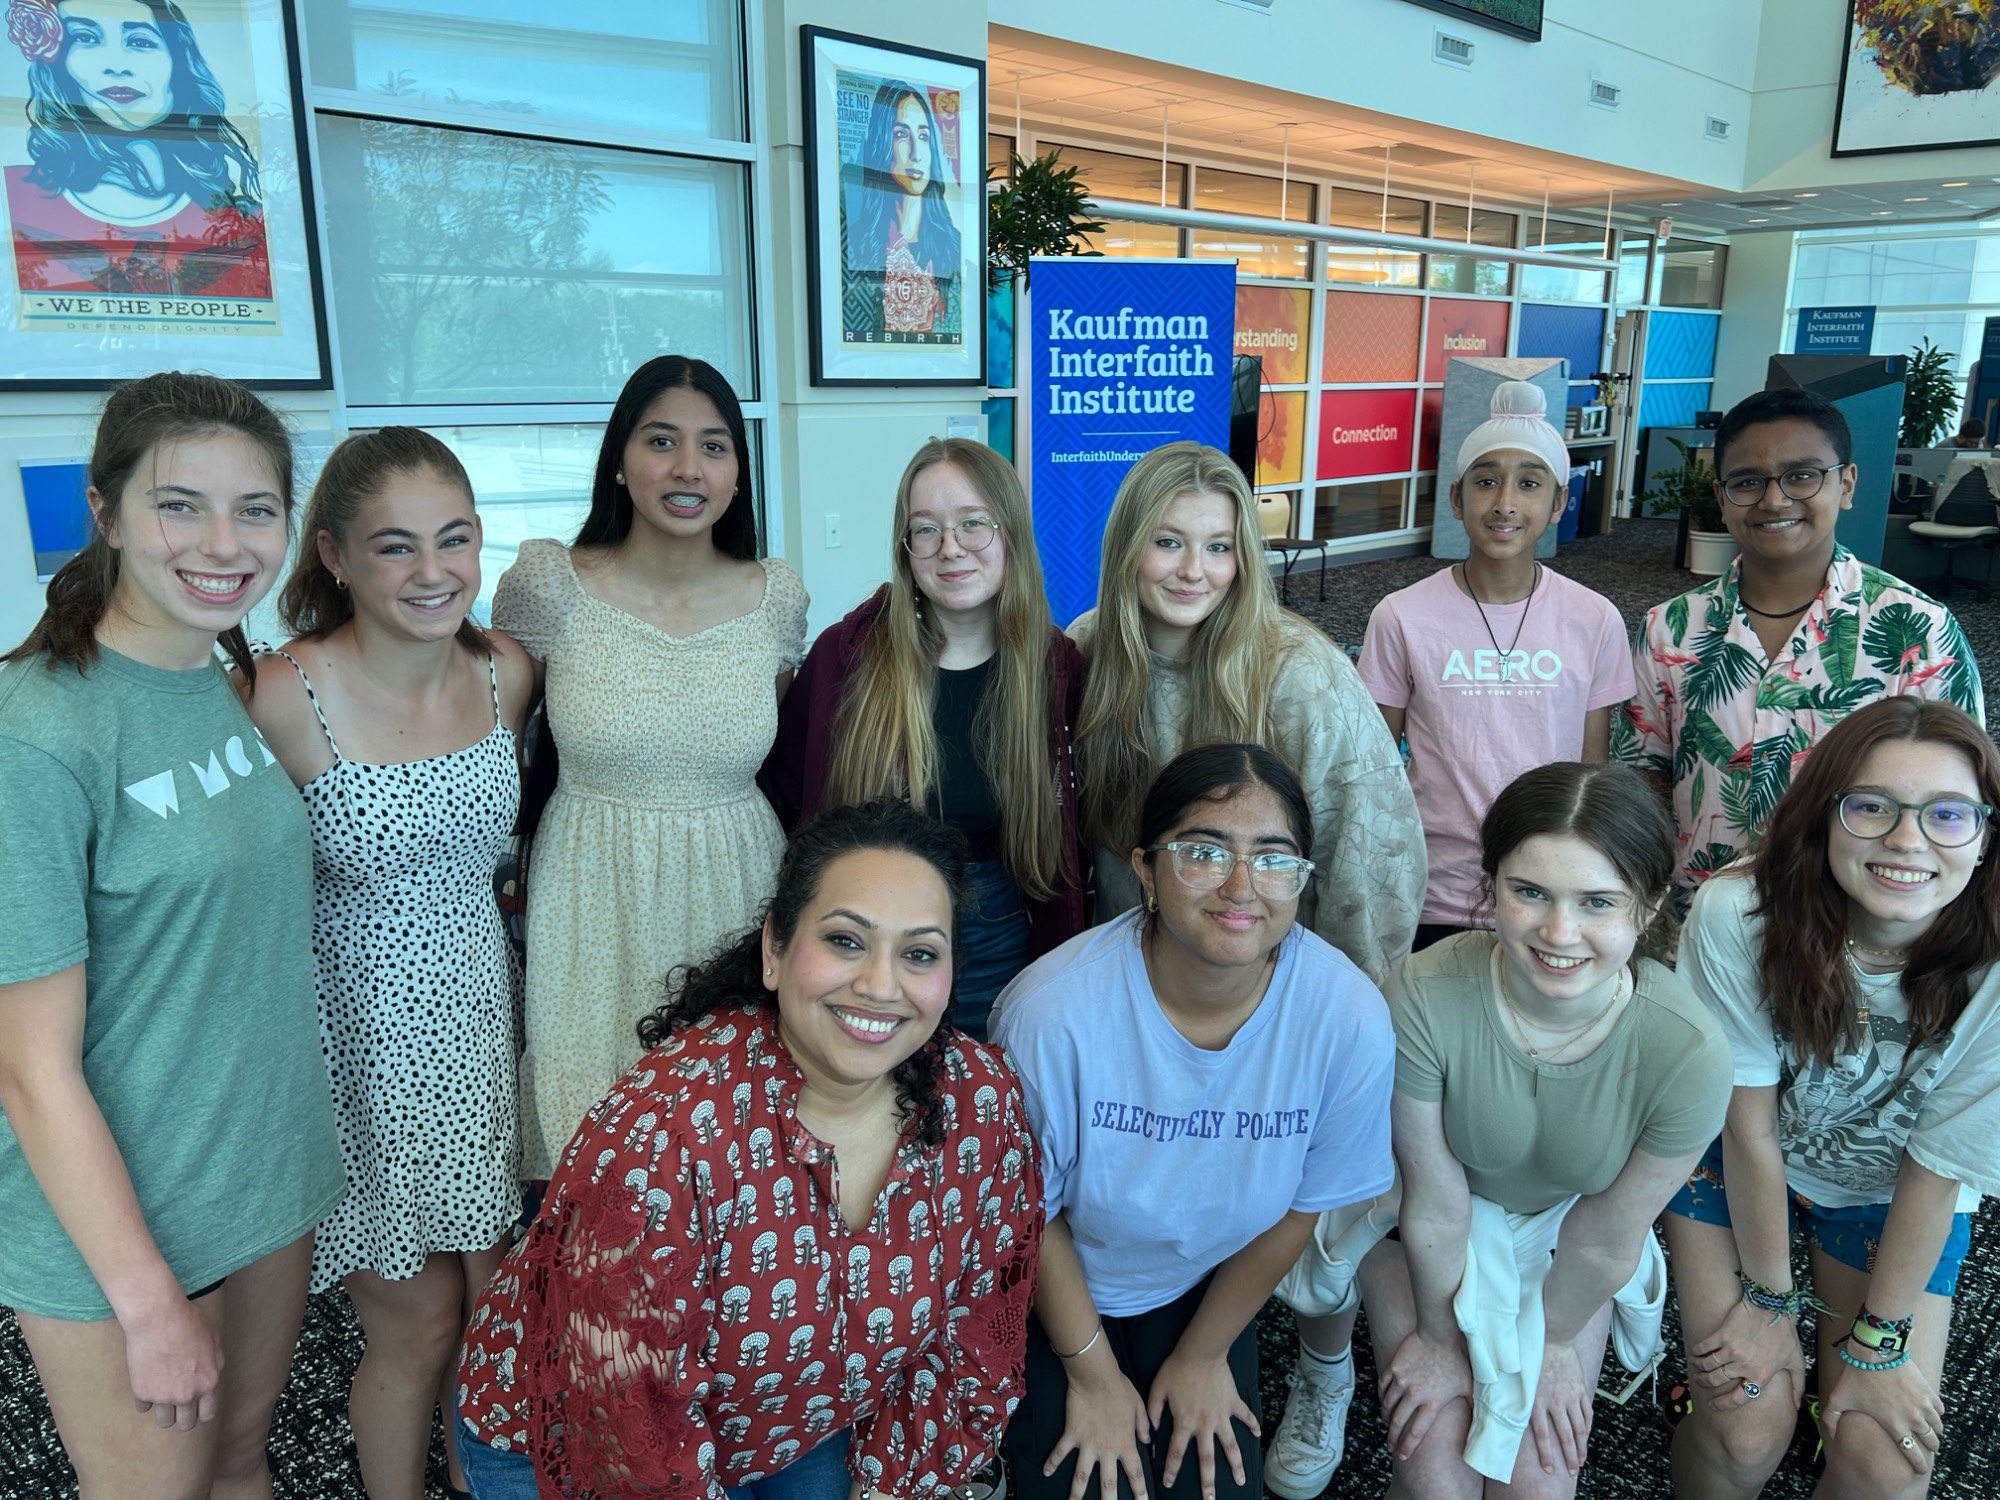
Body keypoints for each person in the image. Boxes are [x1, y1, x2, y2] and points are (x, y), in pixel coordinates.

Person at [454, 797, 1043, 1500]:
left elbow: (973, 1331)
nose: (882, 986)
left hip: (791, 1426)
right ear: (774, 950)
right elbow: (624, 1431)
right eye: (847, 941)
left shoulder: (980, 1102)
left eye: (919, 954)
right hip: (577, 1440)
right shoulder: (659, 1140)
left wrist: (892, 1485)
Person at [0, 372, 343, 1498]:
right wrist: (146, 1301)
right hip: (130, 1223)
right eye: (178, 504)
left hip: (258, 1172)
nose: (223, 542)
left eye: (254, 509)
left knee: (241, 1461)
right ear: (103, 513)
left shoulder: (215, 673)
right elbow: (28, 1068)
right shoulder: (41, 734)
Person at [1278, 762, 1732, 1500]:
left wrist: (1550, 1345)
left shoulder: (1690, 1053)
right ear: (1490, 888)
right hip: (1416, 1220)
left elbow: (1609, 1231)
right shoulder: (1421, 997)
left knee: (1538, 1487)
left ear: (1647, 909)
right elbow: (1432, 1194)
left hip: (1566, 1233)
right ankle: (1326, 1369)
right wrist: (1436, 1336)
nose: (1560, 932)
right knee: (1435, 1479)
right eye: (1530, 893)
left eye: (1597, 902)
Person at [244, 428, 535, 1500]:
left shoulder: (504, 670)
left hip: (476, 1032)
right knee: (413, 1321)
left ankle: (476, 1479)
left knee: (491, 1303)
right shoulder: (280, 694)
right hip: (357, 1053)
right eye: (396, 547)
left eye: (453, 541)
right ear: (333, 555)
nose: (432, 572)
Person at [992, 742, 1396, 1500]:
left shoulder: (1346, 1018)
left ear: (1301, 879)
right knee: (1085, 1479)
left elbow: (1302, 1207)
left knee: (1213, 1485)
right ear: (1145, 868)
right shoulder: (1052, 1015)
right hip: (1060, 1278)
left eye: (1274, 859)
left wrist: (1205, 1354)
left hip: (1205, 1284)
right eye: (1205, 852)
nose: (1242, 887)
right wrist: (1094, 1375)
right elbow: (1028, 1217)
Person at [1664, 697, 2000, 1500]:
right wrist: (1769, 1300)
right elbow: (1746, 1128)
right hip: (1741, 1159)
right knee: (1747, 1418)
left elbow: (1938, 1165)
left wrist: (1878, 1344)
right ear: (1823, 818)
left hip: (1892, 1196)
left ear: (1987, 838)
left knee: (1880, 1463)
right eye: (1871, 807)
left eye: (1948, 815)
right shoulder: (1737, 912)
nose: (1908, 840)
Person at [492, 354, 808, 1176]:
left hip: (737, 884)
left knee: (732, 1146)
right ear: (620, 462)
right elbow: (494, 745)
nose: (686, 469)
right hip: (593, 889)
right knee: (596, 1156)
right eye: (660, 440)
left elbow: (778, 749)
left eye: (713, 447)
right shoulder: (549, 583)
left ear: (739, 474)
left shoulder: (775, 596)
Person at [1614, 387, 1983, 917]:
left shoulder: (1918, 631)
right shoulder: (1667, 628)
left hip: (1855, 921)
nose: (1774, 500)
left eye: (1802, 475)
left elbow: (1956, 802)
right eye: (1747, 482)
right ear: (1722, 498)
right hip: (1695, 919)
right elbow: (1643, 774)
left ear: (1847, 484)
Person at [762, 436, 1086, 1038]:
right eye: (927, 529)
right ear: (905, 548)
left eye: (973, 524)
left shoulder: (1055, 669)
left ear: (1010, 532)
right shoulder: (848, 657)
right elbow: (784, 793)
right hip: (866, 931)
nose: (950, 548)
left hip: (998, 924)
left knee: (985, 1108)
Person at [1072, 439, 1424, 983]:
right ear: (1125, 546)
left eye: (1219, 547)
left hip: (1270, 985)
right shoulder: (1088, 650)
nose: (1194, 570)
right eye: (1168, 542)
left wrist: (1347, 1003)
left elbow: (1371, 864)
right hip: (1134, 979)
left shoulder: (1304, 675)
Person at [1358, 382, 1633, 952]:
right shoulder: (1402, 616)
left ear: (1558, 502)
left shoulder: (1595, 618)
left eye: (1530, 484)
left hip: (1549, 892)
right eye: (1486, 482)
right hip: (1435, 889)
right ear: (1456, 499)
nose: (1505, 503)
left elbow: (1592, 771)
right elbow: (1374, 772)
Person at [5, 0, 271, 297]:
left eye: (140, 41)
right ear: (58, 65)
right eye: (84, 38)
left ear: (177, 63)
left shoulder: (244, 223)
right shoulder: (14, 197)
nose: (116, 65)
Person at [841, 78, 962, 341]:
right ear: (883, 145)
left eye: (923, 136)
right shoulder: (856, 244)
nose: (917, 152)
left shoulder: (953, 247)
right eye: (901, 134)